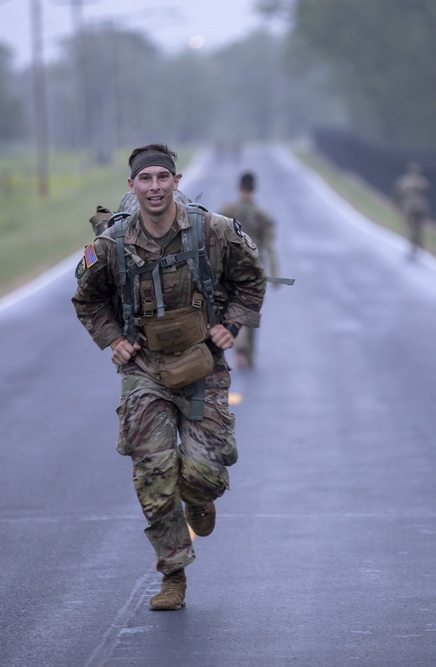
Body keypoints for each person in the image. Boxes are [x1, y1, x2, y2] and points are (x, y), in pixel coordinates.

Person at [72, 143, 266, 611]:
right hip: (144, 370)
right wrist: (114, 339)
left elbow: (252, 279)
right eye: (146, 179)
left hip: (201, 364)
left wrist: (232, 326)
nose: (155, 187)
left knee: (200, 475)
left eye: (163, 177)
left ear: (176, 182)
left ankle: (201, 493)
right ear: (132, 186)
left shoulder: (213, 231)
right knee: (153, 474)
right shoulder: (110, 244)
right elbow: (87, 300)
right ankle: (173, 575)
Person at [218, 171, 280, 369]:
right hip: (255, 269)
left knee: (235, 306)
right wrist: (276, 274)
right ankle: (247, 350)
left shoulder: (227, 211)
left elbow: (214, 241)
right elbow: (270, 246)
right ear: (254, 188)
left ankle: (241, 348)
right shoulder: (262, 216)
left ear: (239, 187)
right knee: (251, 309)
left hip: (231, 268)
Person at [392, 162, 430, 259]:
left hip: (410, 208)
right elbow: (427, 191)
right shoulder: (422, 181)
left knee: (411, 227)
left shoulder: (405, 181)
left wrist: (397, 204)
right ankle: (417, 245)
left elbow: (398, 193)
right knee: (417, 228)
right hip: (420, 207)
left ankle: (414, 245)